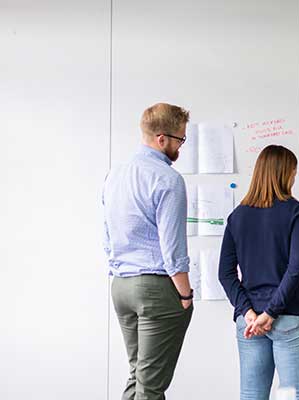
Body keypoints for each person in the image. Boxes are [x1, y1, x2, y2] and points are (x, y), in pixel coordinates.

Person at [102, 103, 194, 400]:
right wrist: (185, 294)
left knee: (139, 375)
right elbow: (173, 248)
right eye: (180, 139)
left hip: (121, 286)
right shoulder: (168, 179)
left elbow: (107, 235)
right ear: (162, 139)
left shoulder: (114, 174)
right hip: (156, 288)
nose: (181, 145)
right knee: (151, 385)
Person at [218, 145, 299, 400]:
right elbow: (295, 269)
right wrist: (271, 312)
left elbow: (225, 274)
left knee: (252, 395)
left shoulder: (237, 216)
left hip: (249, 322)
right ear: (285, 173)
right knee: (291, 396)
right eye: (294, 171)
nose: (295, 177)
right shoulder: (296, 211)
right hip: (291, 317)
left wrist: (249, 313)